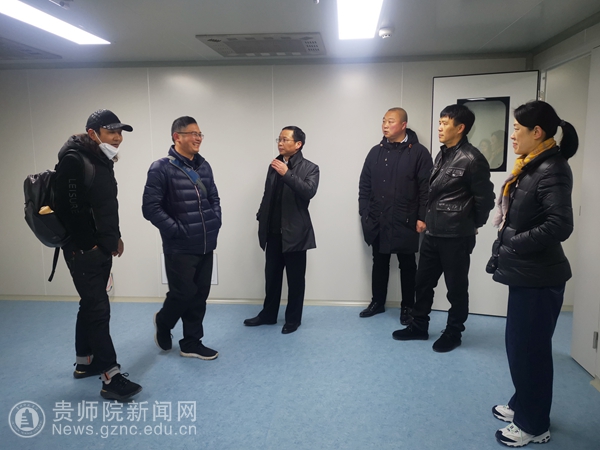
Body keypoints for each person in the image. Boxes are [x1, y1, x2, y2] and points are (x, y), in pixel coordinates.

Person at [487, 101, 577, 447]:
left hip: (540, 277)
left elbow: (560, 224)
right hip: (528, 274)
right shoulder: (532, 164)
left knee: (530, 352)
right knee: (519, 347)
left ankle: (534, 425)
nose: (512, 136)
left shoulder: (552, 169)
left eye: (517, 129)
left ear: (537, 132)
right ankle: (522, 404)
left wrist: (514, 241)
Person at [54, 109, 142, 401]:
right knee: (98, 310)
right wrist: (88, 246)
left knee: (90, 305)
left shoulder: (101, 160)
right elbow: (69, 209)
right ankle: (110, 378)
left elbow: (103, 206)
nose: (117, 137)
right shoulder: (73, 160)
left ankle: (85, 363)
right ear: (93, 133)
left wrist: (114, 237)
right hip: (84, 251)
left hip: (100, 246)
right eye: (111, 132)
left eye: (120, 132)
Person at [392, 104, 495, 352]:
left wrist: (473, 223)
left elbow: (486, 199)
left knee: (456, 288)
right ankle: (419, 326)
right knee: (423, 283)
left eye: (445, 123)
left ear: (460, 128)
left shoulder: (472, 159)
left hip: (456, 235)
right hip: (433, 232)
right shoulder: (442, 154)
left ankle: (453, 332)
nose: (439, 127)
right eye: (439, 122)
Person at [142, 116, 221, 360]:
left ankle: (191, 343)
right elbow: (150, 208)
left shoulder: (204, 166)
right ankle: (164, 322)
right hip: (179, 246)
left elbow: (214, 198)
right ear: (177, 137)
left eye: (200, 134)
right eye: (193, 134)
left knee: (199, 296)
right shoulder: (161, 168)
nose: (198, 138)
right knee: (183, 293)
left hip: (206, 242)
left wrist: (215, 220)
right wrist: (176, 230)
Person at [358, 107, 433, 324]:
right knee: (379, 261)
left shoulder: (419, 153)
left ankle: (408, 306)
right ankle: (377, 302)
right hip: (378, 218)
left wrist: (422, 217)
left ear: (403, 125)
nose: (385, 125)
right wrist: (365, 212)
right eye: (384, 121)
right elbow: (364, 185)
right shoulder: (375, 152)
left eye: (390, 121)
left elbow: (426, 188)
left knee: (407, 264)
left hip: (406, 218)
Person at [244, 126, 319, 334]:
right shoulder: (274, 165)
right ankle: (268, 315)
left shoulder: (311, 168)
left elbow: (308, 192)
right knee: (272, 278)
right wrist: (261, 215)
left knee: (295, 281)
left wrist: (287, 174)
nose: (280, 143)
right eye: (279, 139)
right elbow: (267, 194)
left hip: (296, 234)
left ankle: (293, 320)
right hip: (273, 232)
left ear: (298, 144)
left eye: (285, 139)